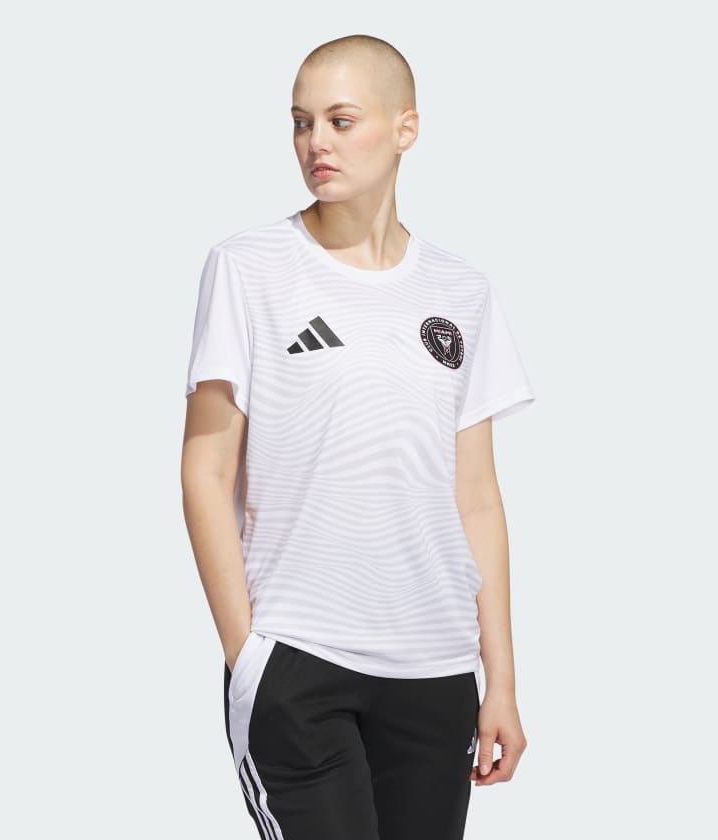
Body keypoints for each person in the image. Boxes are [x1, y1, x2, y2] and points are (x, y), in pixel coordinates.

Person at [181, 33, 536, 840]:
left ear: (406, 128)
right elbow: (205, 471)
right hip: (301, 663)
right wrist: (248, 656)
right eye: (301, 122)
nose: (317, 143)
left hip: (437, 673)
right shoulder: (248, 268)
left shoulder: (461, 291)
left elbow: (477, 498)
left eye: (341, 121)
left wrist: (502, 683)